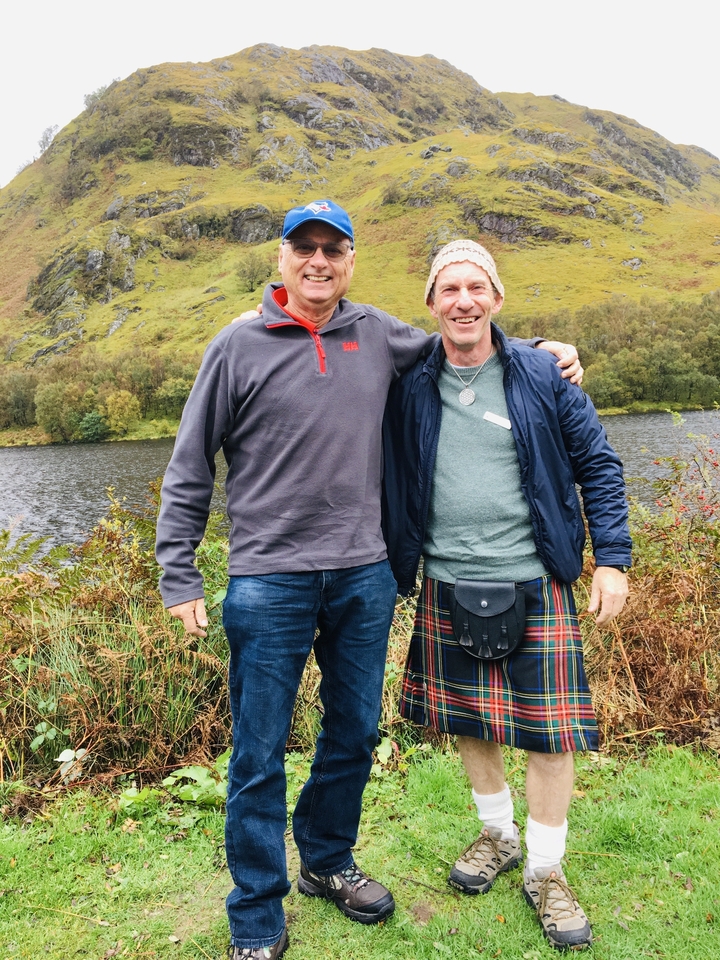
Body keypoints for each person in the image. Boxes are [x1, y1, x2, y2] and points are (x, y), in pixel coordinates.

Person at [155, 202, 583, 960]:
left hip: (363, 575)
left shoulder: (379, 334)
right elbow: (191, 465)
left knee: (353, 731)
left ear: (350, 260)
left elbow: (468, 343)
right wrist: (179, 571)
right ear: (282, 258)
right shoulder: (235, 345)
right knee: (258, 749)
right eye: (305, 248)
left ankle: (325, 861)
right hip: (267, 580)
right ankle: (256, 905)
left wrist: (545, 350)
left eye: (334, 248)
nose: (318, 261)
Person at [382, 239, 631, 951]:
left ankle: (546, 872)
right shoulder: (408, 381)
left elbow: (601, 468)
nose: (463, 300)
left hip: (535, 576)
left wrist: (611, 560)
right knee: (470, 722)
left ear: (496, 297)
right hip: (447, 580)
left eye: (475, 287)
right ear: (431, 304)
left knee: (548, 734)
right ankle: (498, 833)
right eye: (448, 289)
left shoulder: (543, 374)